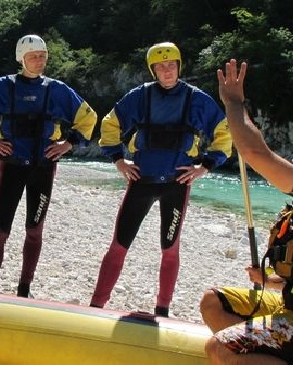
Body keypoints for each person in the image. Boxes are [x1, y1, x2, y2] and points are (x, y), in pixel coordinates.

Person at [89, 42, 232, 316]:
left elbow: (224, 133)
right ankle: (97, 304)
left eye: (171, 65)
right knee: (120, 243)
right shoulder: (139, 97)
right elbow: (110, 124)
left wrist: (205, 166)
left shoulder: (198, 99)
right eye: (161, 66)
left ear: (179, 66)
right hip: (142, 180)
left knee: (169, 247)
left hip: (176, 185)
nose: (167, 71)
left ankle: (163, 309)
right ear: (153, 70)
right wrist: (118, 160)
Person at [0, 34, 98, 298]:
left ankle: (24, 289)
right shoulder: (2, 87)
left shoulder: (57, 90)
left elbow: (87, 117)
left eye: (43, 56)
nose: (39, 61)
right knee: (0, 229)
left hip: (43, 169)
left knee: (34, 230)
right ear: (21, 58)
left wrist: (67, 144)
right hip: (12, 166)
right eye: (33, 56)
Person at [199, 59, 293, 365]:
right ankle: (262, 353)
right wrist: (271, 279)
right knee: (214, 303)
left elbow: (254, 152)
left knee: (220, 348)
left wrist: (235, 103)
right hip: (286, 304)